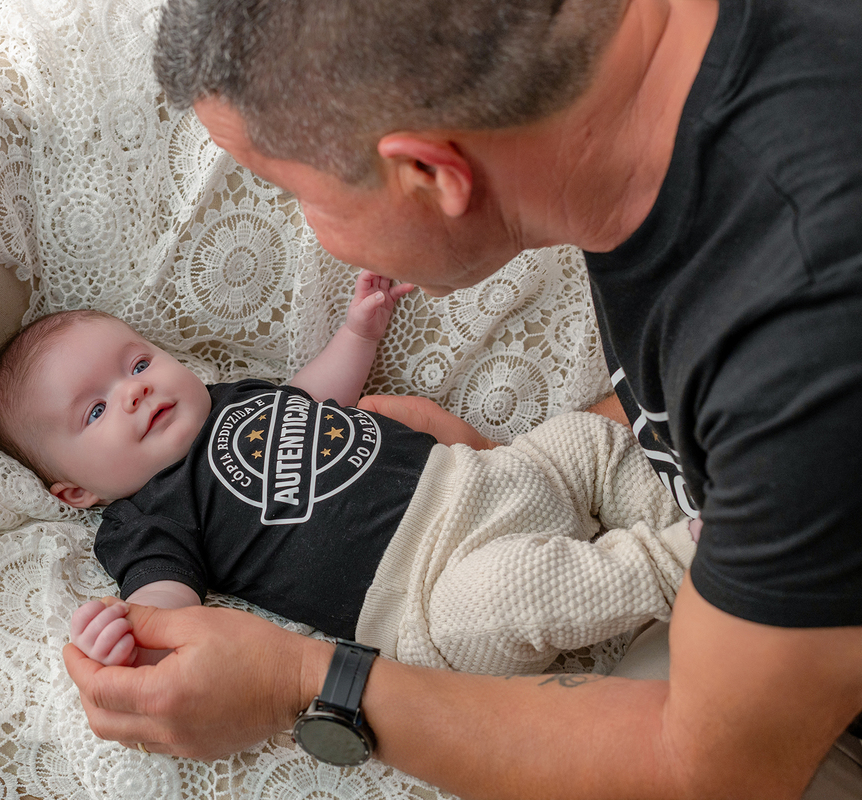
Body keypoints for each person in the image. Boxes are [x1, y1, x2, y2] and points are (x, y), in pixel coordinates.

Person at [62, 0, 862, 797]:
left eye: (295, 192)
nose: (311, 233)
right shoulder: (673, 91)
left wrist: (300, 681)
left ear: (430, 173)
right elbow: (699, 403)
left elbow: (711, 773)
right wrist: (497, 475)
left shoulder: (803, 336)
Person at [0, 275, 692, 678]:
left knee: (585, 440)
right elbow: (171, 610)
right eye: (96, 409)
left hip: (487, 475)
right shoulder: (146, 519)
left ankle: (678, 505)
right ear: (77, 491)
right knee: (516, 591)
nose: (133, 391)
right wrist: (127, 634)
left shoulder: (234, 399)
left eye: (137, 364)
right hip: (433, 592)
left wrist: (358, 333)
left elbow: (314, 396)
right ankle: (690, 562)